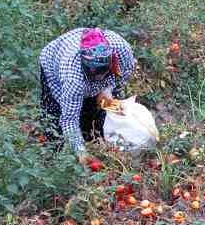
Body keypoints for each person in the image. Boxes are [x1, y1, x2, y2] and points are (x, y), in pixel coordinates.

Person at [38, 27, 138, 157]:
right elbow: (69, 119)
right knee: (55, 115)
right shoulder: (72, 77)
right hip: (52, 65)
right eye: (94, 75)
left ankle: (94, 139)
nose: (99, 79)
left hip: (92, 74)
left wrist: (108, 90)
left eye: (102, 72)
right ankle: (54, 154)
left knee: (100, 111)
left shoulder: (121, 50)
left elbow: (126, 71)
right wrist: (81, 153)